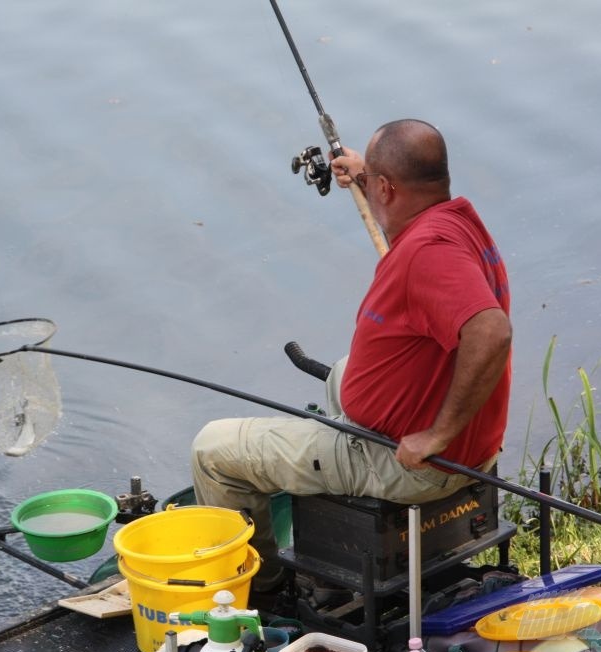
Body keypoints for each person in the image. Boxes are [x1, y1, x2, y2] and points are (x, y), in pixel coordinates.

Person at [191, 119, 512, 592]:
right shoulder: (456, 220)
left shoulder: (429, 253)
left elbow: (491, 331)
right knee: (342, 374)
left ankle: (265, 587)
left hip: (417, 464)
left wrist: (436, 435)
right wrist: (366, 177)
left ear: (388, 187)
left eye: (374, 182)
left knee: (213, 449)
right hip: (470, 443)